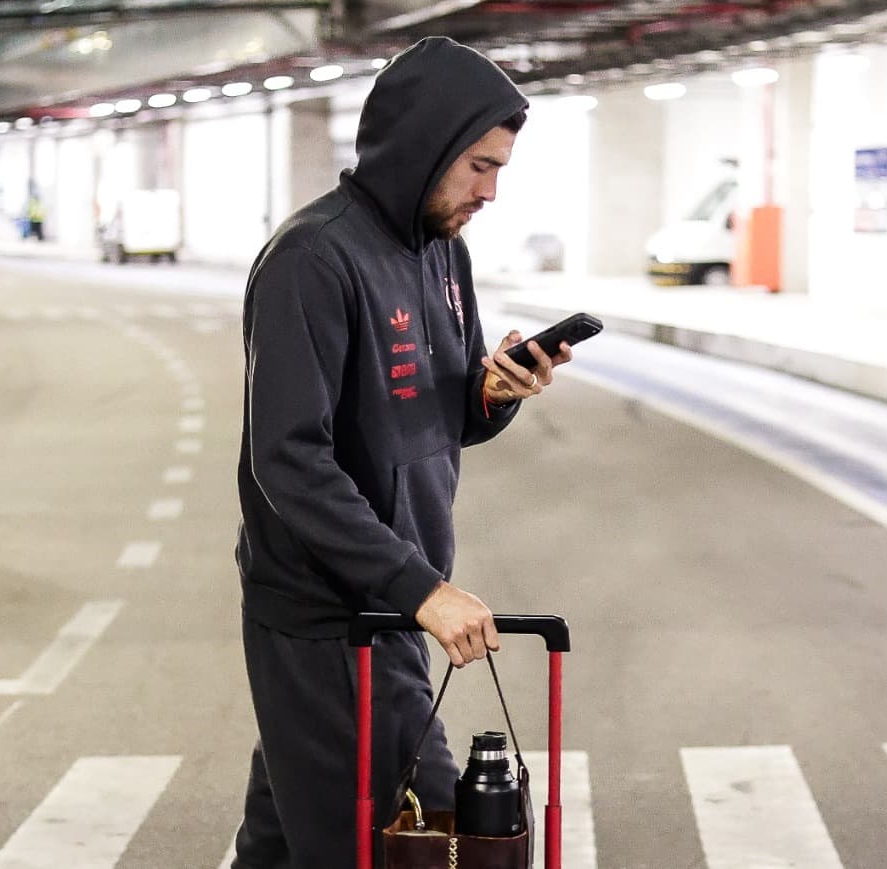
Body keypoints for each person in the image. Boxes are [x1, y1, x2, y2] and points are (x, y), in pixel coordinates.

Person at [231, 36, 575, 868]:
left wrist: (493, 394)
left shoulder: (442, 252)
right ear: (422, 149)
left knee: (294, 839)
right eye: (478, 167)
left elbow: (432, 416)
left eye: (500, 171)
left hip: (388, 607)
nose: (490, 193)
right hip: (329, 617)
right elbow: (290, 459)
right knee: (414, 836)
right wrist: (421, 589)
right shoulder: (313, 259)